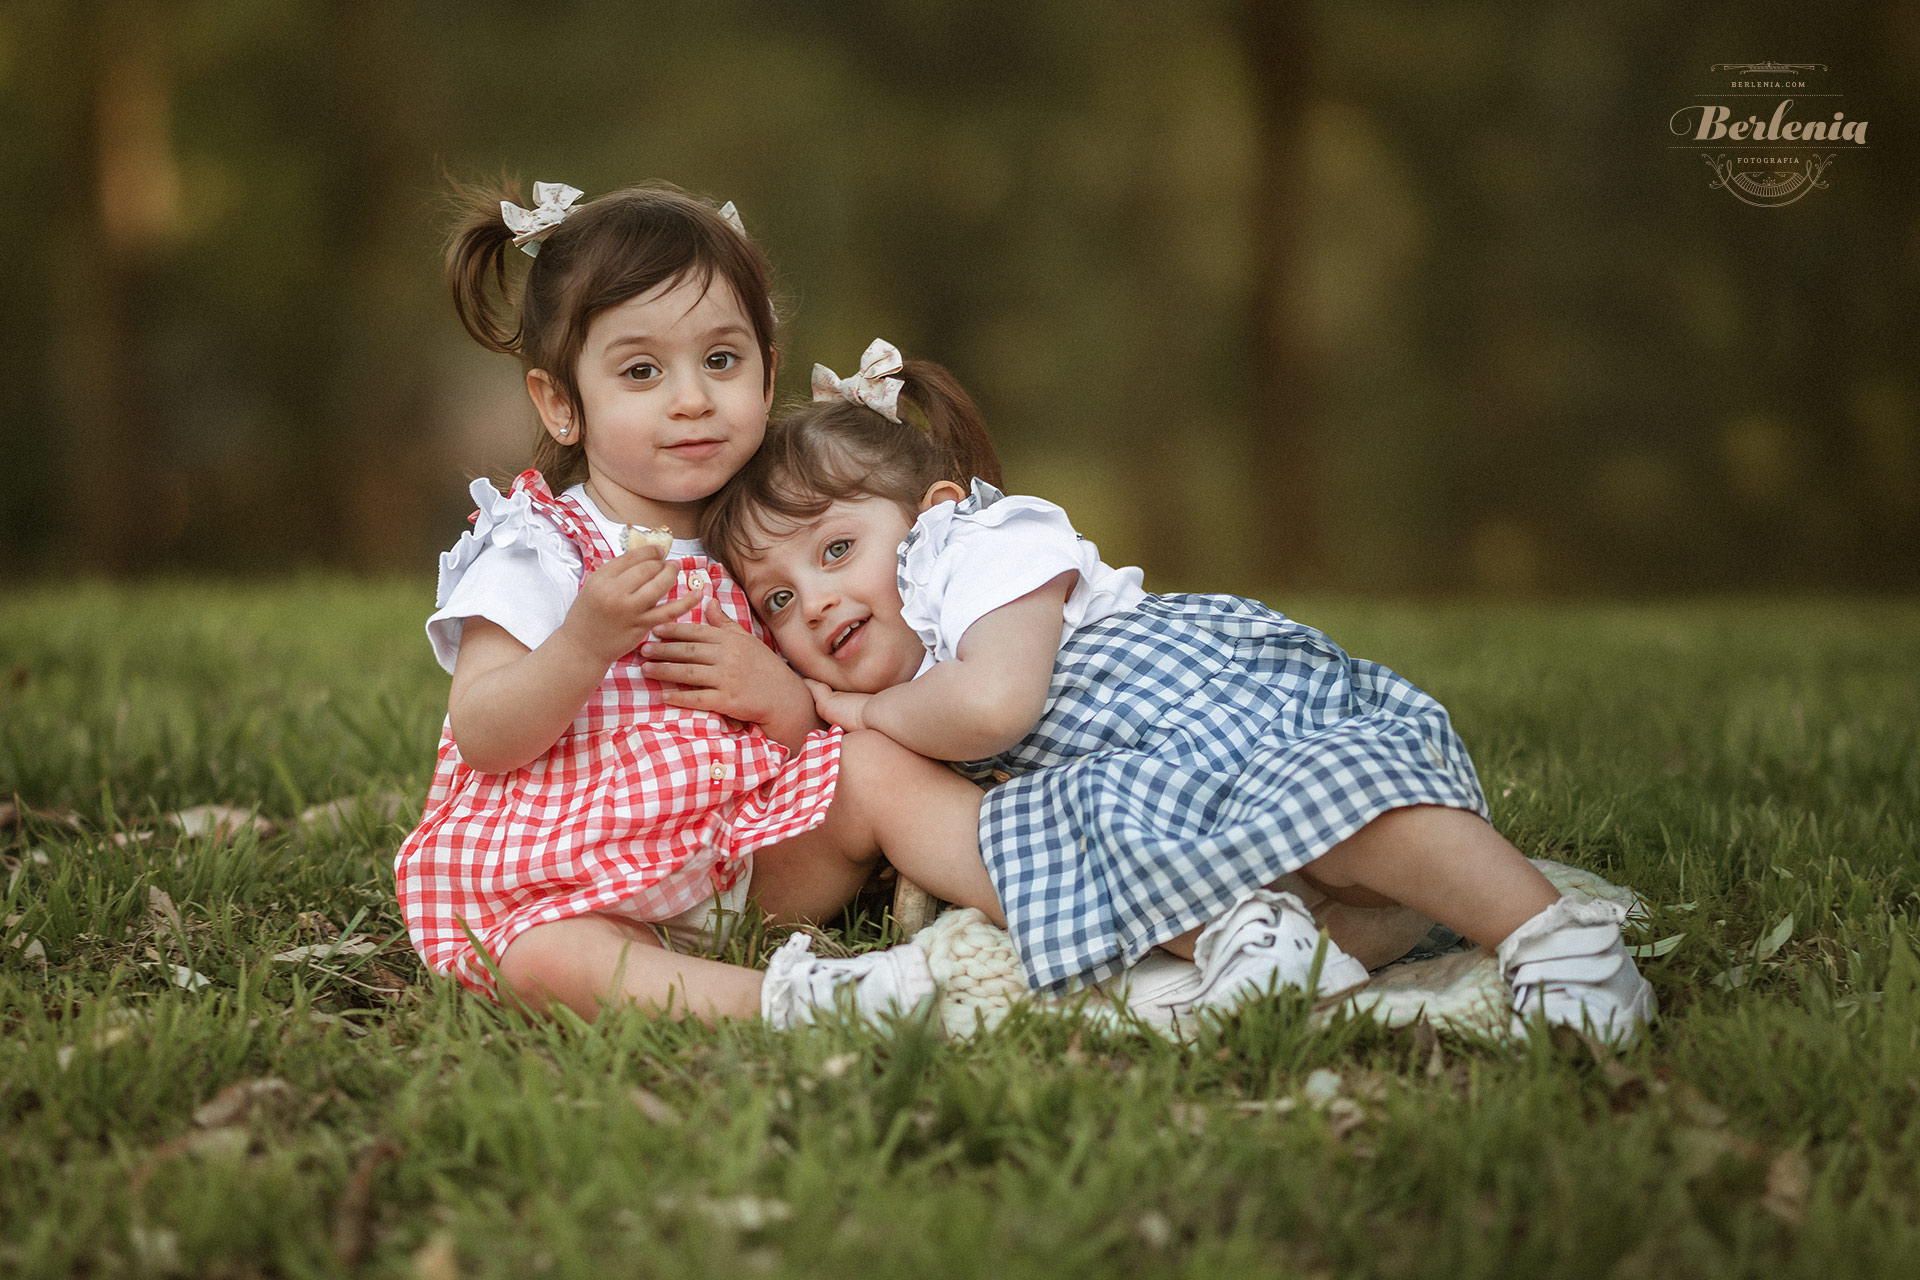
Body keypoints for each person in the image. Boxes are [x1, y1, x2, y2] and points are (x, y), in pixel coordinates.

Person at [694, 339, 1658, 1044]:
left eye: (836, 550)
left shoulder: (979, 549)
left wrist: (864, 711)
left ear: (933, 511)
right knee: (1116, 846)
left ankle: (1547, 934)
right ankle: (1282, 948)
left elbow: (996, 706)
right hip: (1183, 805)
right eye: (778, 597)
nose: (815, 602)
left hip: (1226, 720)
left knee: (1342, 807)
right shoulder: (917, 664)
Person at [394, 187, 1003, 1030]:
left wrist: (782, 700)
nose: (691, 399)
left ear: (768, 370)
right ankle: (811, 1006)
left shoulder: (764, 540)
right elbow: (485, 733)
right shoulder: (541, 544)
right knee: (539, 960)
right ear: (561, 403)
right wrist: (583, 643)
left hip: (747, 867)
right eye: (642, 372)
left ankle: (1066, 905)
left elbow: (821, 730)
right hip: (589, 891)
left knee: (874, 771)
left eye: (721, 361)